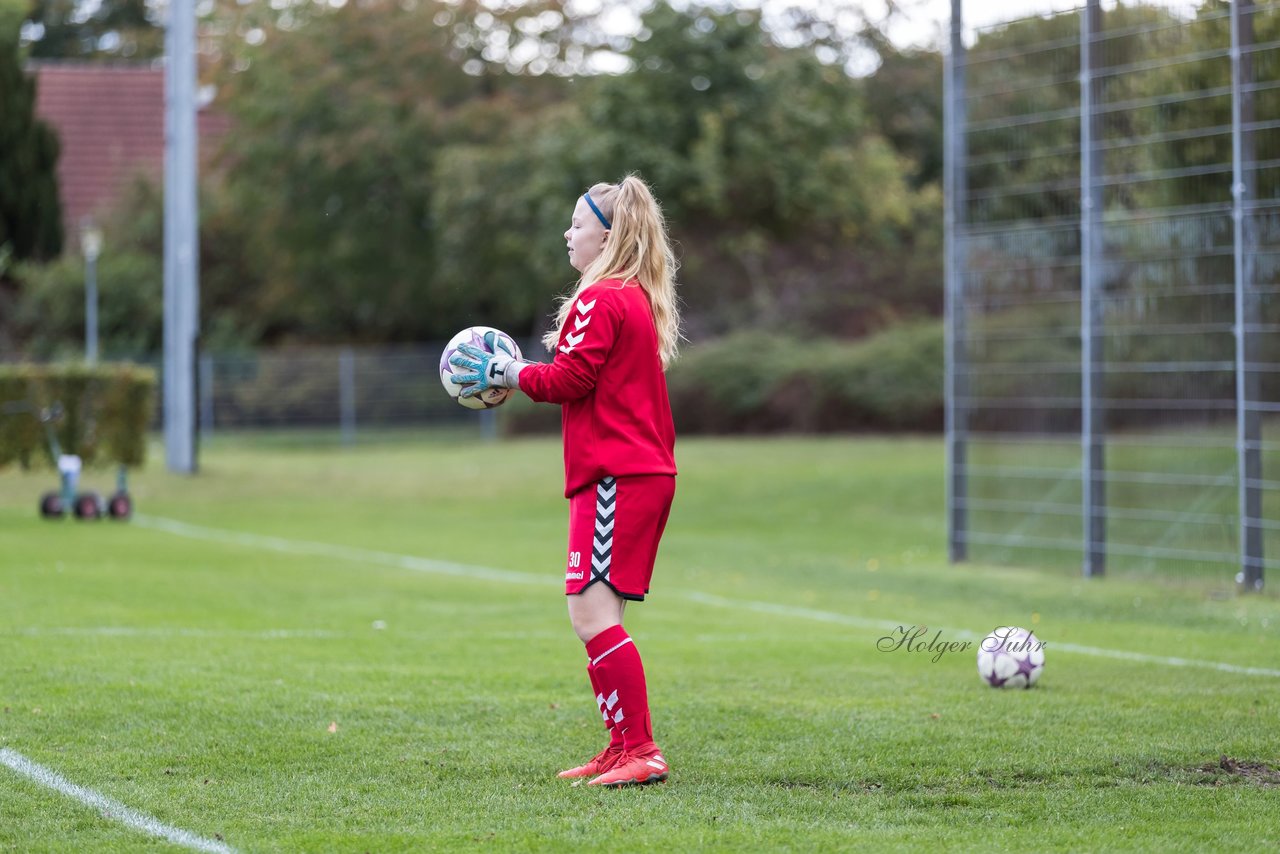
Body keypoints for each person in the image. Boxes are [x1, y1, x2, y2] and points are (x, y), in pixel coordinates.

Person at [449, 175, 679, 787]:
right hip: (630, 472)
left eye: (576, 224)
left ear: (608, 234)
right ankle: (624, 746)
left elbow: (568, 380)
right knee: (595, 612)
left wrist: (506, 369)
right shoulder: (627, 296)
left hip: (617, 474)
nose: (568, 234)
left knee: (590, 613)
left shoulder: (602, 297)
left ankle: (641, 751)